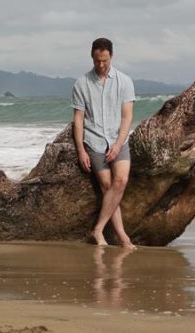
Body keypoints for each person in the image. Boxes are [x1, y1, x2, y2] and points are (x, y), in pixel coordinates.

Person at [71, 37, 137, 249]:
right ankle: (123, 237)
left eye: (105, 61)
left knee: (121, 180)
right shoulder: (81, 83)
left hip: (118, 139)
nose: (101, 65)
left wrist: (117, 145)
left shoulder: (124, 81)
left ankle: (98, 229)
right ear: (92, 57)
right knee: (107, 186)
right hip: (94, 141)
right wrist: (81, 150)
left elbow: (127, 117)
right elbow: (78, 119)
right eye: (97, 60)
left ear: (111, 56)